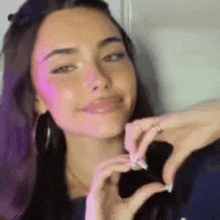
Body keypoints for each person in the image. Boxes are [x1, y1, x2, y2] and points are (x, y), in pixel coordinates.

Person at [0, 0, 220, 219]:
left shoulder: (202, 171)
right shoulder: (13, 207)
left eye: (112, 56)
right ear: (36, 98)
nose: (99, 79)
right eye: (65, 67)